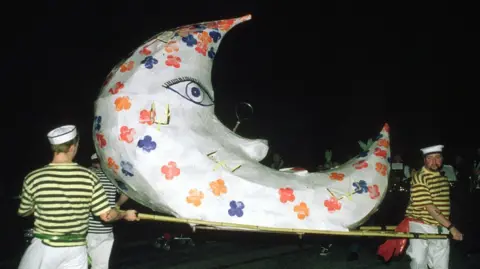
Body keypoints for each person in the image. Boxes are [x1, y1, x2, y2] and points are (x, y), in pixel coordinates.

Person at [17, 125, 138, 269]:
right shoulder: (89, 177)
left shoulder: (33, 178)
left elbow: (24, 211)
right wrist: (124, 214)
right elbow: (106, 216)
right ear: (73, 147)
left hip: (44, 247)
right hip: (76, 250)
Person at [404, 145, 463, 269]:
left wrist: (445, 226)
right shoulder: (419, 177)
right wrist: (451, 227)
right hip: (420, 223)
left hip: (440, 226)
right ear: (424, 160)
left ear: (442, 159)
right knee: (419, 262)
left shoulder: (443, 177)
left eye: (437, 157)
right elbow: (429, 207)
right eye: (430, 158)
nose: (434, 162)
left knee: (441, 265)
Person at [87, 153, 130, 269]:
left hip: (83, 229)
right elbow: (126, 193)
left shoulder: (85, 174)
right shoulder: (111, 176)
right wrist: (116, 205)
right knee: (99, 266)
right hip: (103, 229)